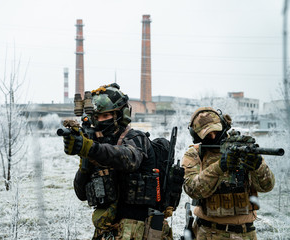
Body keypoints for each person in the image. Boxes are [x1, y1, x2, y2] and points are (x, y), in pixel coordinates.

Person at [62, 83, 174, 240]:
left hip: (138, 230)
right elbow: (81, 194)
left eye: (106, 116)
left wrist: (90, 148)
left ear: (121, 115)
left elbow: (128, 159)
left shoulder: (135, 138)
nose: (101, 121)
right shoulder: (97, 146)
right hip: (108, 230)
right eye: (97, 117)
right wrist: (85, 164)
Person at [182, 107, 275, 239]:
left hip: (245, 233)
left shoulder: (242, 147)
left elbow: (267, 186)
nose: (213, 136)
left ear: (224, 126)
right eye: (207, 135)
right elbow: (193, 189)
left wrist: (258, 166)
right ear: (196, 136)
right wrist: (220, 166)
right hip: (209, 232)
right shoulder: (195, 154)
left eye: (215, 130)